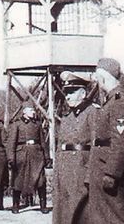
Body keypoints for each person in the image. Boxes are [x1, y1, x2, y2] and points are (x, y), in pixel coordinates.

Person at [86, 57, 124, 224]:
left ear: (103, 77)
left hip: (110, 172)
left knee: (116, 217)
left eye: (97, 77)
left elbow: (122, 141)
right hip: (103, 168)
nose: (96, 81)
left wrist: (112, 173)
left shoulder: (120, 101)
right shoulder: (111, 101)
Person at [53, 76, 95, 224]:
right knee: (62, 212)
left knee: (79, 213)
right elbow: (60, 147)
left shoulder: (92, 113)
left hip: (80, 170)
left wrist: (90, 175)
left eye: (72, 92)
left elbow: (96, 146)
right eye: (67, 92)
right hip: (64, 171)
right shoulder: (66, 117)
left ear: (83, 94)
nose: (68, 96)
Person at [6, 104, 49, 214]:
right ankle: (15, 205)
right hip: (22, 155)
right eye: (31, 110)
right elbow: (11, 143)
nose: (33, 112)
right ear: (24, 112)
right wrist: (11, 158)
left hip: (36, 155)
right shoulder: (17, 124)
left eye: (33, 110)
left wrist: (46, 156)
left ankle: (43, 205)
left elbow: (43, 142)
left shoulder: (38, 124)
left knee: (40, 180)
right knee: (18, 181)